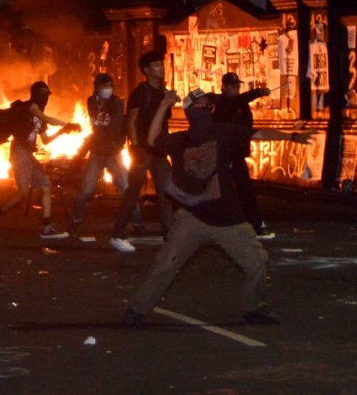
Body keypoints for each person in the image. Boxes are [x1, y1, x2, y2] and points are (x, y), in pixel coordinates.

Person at [122, 88, 313, 327]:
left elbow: (259, 134)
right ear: (190, 113)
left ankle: (254, 307)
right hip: (193, 217)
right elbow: (152, 140)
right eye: (198, 107)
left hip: (227, 218)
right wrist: (164, 105)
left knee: (257, 262)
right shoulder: (181, 140)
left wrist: (292, 137)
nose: (203, 110)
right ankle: (137, 310)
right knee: (165, 263)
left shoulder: (223, 132)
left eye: (206, 106)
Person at [0, 81, 81, 239]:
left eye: (47, 95)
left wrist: (63, 132)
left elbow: (45, 140)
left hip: (27, 154)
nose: (45, 98)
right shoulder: (30, 106)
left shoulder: (40, 115)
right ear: (35, 94)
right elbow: (45, 118)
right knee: (23, 192)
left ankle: (46, 227)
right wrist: (66, 124)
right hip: (19, 152)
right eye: (42, 94)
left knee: (46, 186)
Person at [110, 51, 173, 253]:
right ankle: (118, 234)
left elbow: (164, 123)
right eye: (156, 65)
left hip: (159, 151)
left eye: (161, 65)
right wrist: (135, 147)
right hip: (143, 151)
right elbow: (131, 120)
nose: (160, 68)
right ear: (146, 70)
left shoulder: (164, 92)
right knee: (133, 193)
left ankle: (169, 236)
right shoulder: (141, 92)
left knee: (166, 193)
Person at [72, 73, 142, 228]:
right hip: (97, 152)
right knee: (86, 188)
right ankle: (77, 218)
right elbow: (95, 123)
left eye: (110, 86)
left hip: (113, 152)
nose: (108, 89)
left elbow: (114, 126)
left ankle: (137, 222)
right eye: (104, 86)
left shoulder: (116, 102)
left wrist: (111, 140)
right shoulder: (91, 102)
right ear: (97, 88)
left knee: (126, 187)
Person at [211, 72, 274, 239]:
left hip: (236, 154)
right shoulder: (222, 102)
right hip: (224, 154)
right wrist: (257, 92)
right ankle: (219, 225)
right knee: (221, 191)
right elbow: (234, 102)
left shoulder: (241, 105)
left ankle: (255, 224)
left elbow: (246, 126)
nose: (235, 89)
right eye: (231, 86)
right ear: (223, 87)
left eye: (237, 86)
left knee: (244, 189)